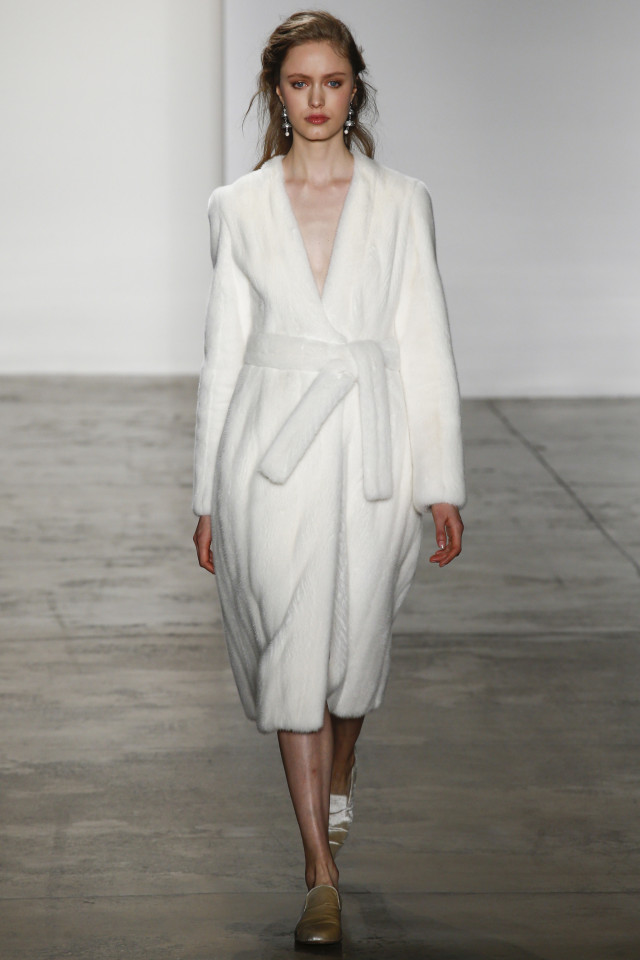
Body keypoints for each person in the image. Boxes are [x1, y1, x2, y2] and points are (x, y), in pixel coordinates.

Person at [192, 9, 465, 946]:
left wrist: (441, 482)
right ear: (277, 91)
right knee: (293, 653)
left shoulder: (402, 202)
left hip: (372, 452)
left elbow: (424, 343)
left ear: (356, 90)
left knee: (352, 660)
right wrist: (206, 494)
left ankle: (342, 766)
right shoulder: (238, 206)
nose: (316, 100)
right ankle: (320, 872)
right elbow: (223, 355)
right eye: (299, 83)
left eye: (333, 82)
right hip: (268, 455)